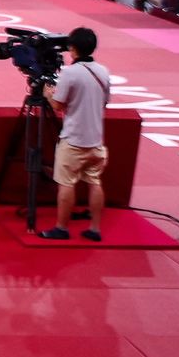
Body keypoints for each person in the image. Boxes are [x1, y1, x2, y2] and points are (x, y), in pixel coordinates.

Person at [38, 26, 111, 242]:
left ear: (72, 48)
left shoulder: (70, 73)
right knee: (94, 182)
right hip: (96, 140)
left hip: (73, 140)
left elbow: (58, 105)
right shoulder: (103, 71)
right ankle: (95, 229)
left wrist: (47, 93)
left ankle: (61, 228)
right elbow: (105, 102)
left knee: (66, 183)